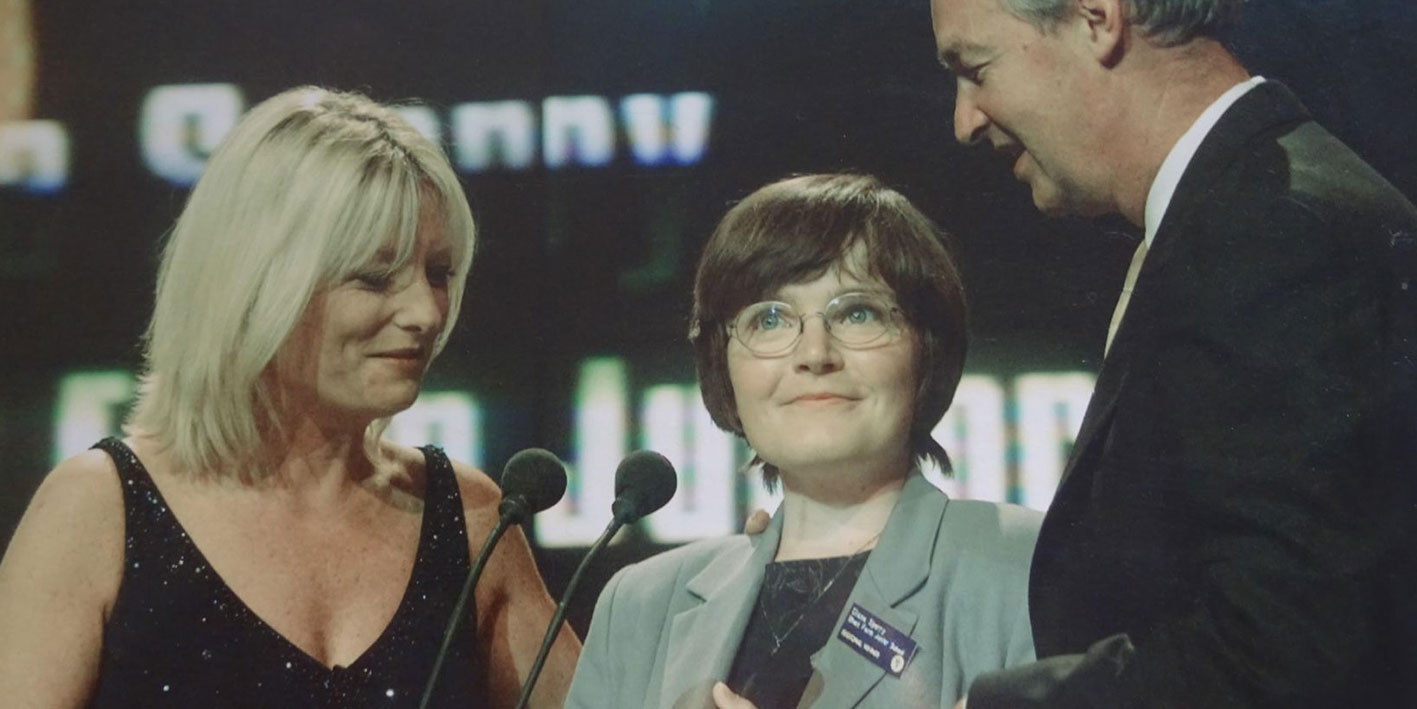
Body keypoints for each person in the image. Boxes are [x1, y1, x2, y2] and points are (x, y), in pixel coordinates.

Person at [0, 86, 580, 707]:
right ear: (255, 283)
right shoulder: (100, 509)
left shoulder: (468, 519)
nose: (425, 312)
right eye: (375, 276)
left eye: (438, 273)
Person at [926, 0, 1417, 706]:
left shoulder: (1270, 233)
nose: (963, 119)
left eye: (974, 69)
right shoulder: (1247, 210)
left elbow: (1286, 652)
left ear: (1096, 18)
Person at [566, 173, 1041, 708]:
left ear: (927, 349)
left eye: (858, 312)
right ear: (722, 363)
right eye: (769, 319)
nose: (814, 353)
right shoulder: (638, 607)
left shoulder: (1027, 568)